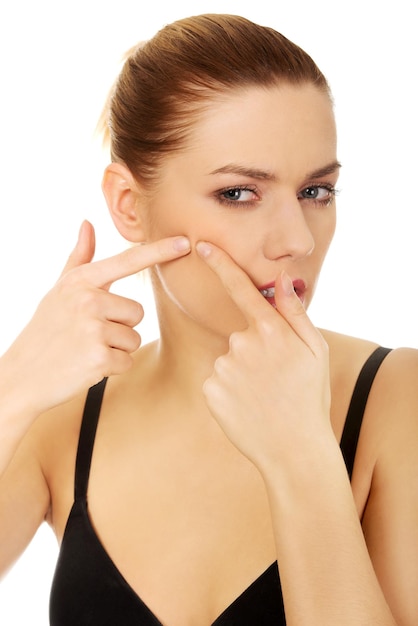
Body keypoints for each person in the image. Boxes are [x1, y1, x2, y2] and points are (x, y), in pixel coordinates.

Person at [0, 13, 417, 626]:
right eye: (240, 193)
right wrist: (12, 388)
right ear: (127, 205)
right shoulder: (62, 417)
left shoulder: (396, 399)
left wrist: (303, 456)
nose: (297, 240)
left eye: (316, 192)